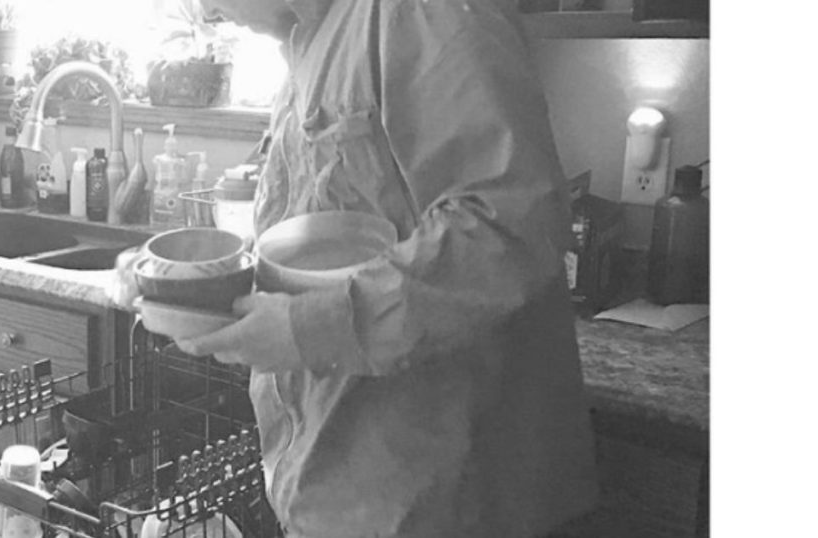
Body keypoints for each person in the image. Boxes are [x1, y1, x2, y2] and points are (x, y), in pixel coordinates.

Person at [166, 0, 598, 536]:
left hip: (448, 506)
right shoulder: (311, 40)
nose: (206, 10)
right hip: (349, 500)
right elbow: (344, 235)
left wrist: (308, 329)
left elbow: (508, 223)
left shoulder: (422, 11)